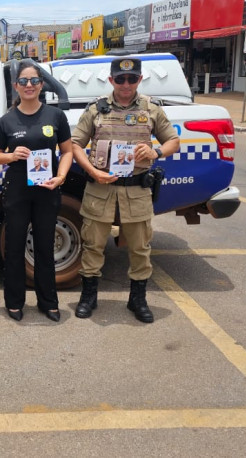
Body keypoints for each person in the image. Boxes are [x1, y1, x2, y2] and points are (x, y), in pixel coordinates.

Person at [70, 58, 180, 323]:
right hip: (100, 189)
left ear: (139, 80)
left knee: (140, 248)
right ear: (111, 81)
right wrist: (92, 171)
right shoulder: (96, 109)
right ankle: (89, 296)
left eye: (132, 79)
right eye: (120, 79)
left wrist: (155, 151)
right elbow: (75, 144)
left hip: (136, 190)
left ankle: (137, 299)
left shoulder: (151, 109)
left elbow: (173, 140)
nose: (126, 84)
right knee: (93, 245)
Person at [0, 62, 73, 322]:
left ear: (41, 85)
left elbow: (68, 151)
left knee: (44, 247)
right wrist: (11, 155)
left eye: (34, 81)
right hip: (17, 191)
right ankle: (14, 302)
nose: (29, 85)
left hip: (47, 190)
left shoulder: (55, 116)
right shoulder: (7, 120)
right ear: (16, 86)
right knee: (14, 247)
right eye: (23, 81)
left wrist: (60, 177)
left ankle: (48, 301)